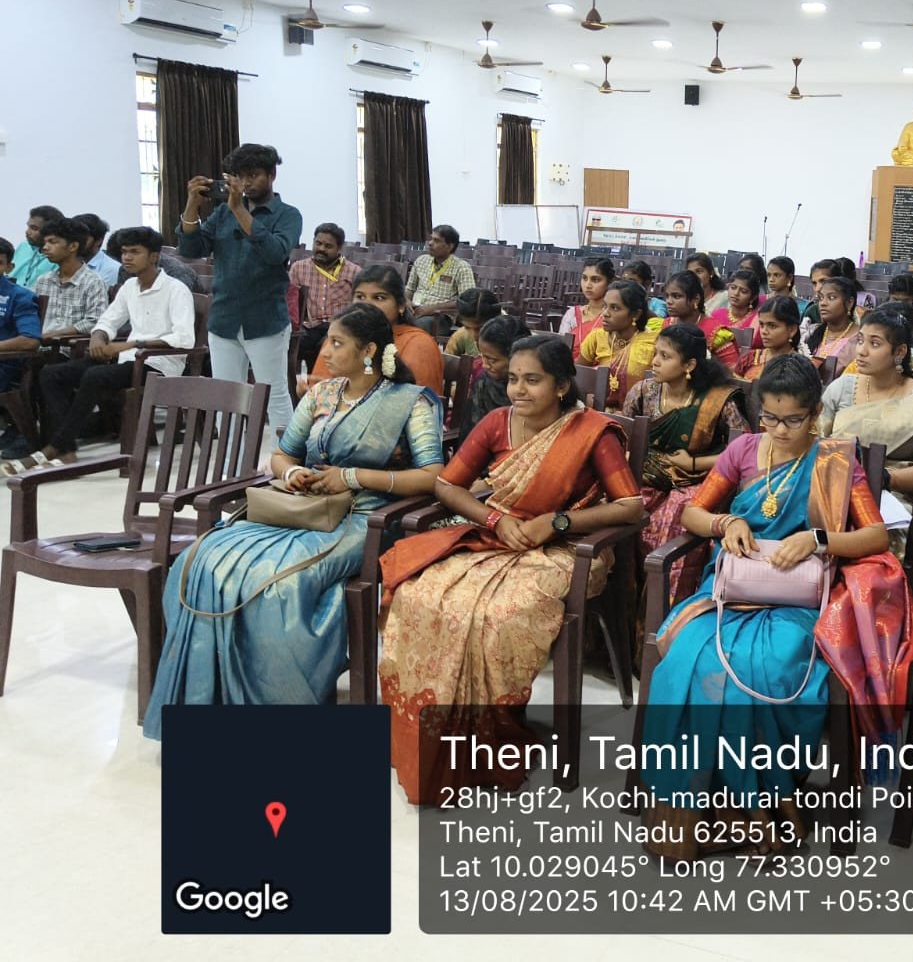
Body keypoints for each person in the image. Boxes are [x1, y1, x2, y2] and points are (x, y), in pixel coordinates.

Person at [638, 354, 910, 858]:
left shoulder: (834, 462)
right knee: (689, 660)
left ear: (816, 414)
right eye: (770, 417)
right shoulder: (742, 450)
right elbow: (695, 512)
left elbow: (876, 536)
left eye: (793, 420)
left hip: (798, 598)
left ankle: (758, 810)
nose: (780, 430)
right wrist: (727, 524)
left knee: (770, 665)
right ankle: (696, 809)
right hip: (731, 590)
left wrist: (818, 539)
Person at [143, 303, 444, 738]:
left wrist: (353, 477)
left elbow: (432, 476)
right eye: (328, 342)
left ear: (369, 351)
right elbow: (283, 454)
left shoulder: (410, 402)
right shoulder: (322, 394)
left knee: (276, 585)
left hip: (365, 518)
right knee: (199, 559)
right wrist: (291, 474)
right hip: (301, 507)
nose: (326, 351)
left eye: (337, 343)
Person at [379, 335, 644, 804]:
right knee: (419, 596)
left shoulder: (592, 432)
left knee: (499, 616)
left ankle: (493, 732)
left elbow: (630, 506)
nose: (518, 390)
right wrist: (495, 520)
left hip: (567, 549)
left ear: (561, 386)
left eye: (533, 380)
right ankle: (435, 731)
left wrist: (556, 523)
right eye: (514, 379)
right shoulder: (497, 421)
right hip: (495, 537)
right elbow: (447, 485)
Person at [6, 226, 193, 471]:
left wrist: (130, 344)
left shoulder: (176, 289)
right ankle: (67, 450)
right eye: (124, 252)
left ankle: (53, 448)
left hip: (158, 364)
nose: (127, 257)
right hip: (126, 360)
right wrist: (98, 338)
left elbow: (184, 339)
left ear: (154, 257)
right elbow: (107, 321)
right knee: (52, 374)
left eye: (134, 252)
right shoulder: (130, 287)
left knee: (96, 375)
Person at [178, 142, 303, 437]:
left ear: (272, 175)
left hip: (265, 319)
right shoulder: (223, 213)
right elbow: (191, 248)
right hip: (224, 318)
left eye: (254, 175)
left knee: (273, 395)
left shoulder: (287, 215)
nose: (246, 183)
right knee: (227, 397)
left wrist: (238, 209)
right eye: (240, 176)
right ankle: (229, 461)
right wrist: (192, 205)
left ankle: (285, 459)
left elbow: (275, 252)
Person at [622, 324, 749, 599]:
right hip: (647, 476)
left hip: (693, 482)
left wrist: (693, 463)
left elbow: (743, 451)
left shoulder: (717, 400)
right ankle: (626, 604)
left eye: (665, 356)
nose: (655, 361)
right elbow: (624, 439)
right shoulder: (642, 392)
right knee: (622, 511)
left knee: (675, 516)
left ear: (689, 365)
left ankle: (666, 605)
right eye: (656, 353)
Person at [819, 307, 913, 550]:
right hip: (834, 486)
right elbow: (817, 442)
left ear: (900, 352)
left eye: (874, 344)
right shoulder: (841, 388)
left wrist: (883, 478)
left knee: (866, 535)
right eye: (860, 340)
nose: (861, 351)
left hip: (893, 496)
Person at [305, 264, 444, 397]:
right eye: (360, 297)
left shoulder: (418, 344)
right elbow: (318, 390)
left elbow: (413, 401)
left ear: (401, 305)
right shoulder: (339, 337)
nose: (367, 305)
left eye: (379, 298)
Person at [578, 279, 664, 408]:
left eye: (615, 308)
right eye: (605, 306)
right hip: (597, 410)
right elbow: (577, 376)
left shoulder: (653, 343)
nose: (605, 314)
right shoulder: (597, 337)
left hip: (636, 413)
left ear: (635, 314)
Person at [287, 222, 358, 368]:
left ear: (339, 248)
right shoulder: (299, 268)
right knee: (284, 346)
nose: (321, 249)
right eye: (318, 243)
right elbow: (291, 303)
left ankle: (319, 381)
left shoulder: (353, 271)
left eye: (328, 246)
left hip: (338, 327)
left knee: (326, 347)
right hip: (308, 327)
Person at [30, 216, 108, 340]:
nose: (45, 247)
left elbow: (95, 321)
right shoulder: (43, 281)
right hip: (37, 347)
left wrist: (52, 335)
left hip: (71, 348)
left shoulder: (93, 282)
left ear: (73, 246)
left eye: (52, 242)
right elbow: (29, 314)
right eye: (45, 242)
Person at [0, 255, 42, 454]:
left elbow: (30, 340)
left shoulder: (19, 296)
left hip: (6, 366)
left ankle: (20, 432)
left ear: (9, 267)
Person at [404, 225, 476, 337]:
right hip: (414, 310)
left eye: (436, 241)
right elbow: (409, 289)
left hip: (440, 316)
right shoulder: (421, 261)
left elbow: (466, 301)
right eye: (431, 239)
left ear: (449, 246)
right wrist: (406, 300)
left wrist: (431, 309)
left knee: (414, 326)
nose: (430, 243)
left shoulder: (461, 267)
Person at [661, 270, 739, 368]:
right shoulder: (667, 324)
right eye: (667, 296)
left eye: (676, 296)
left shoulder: (716, 333)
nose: (669, 301)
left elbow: (731, 371)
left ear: (696, 299)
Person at [458, 314, 518, 438]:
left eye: (492, 360)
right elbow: (470, 433)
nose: (484, 365)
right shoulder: (483, 384)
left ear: (515, 357)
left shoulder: (529, 391)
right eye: (482, 356)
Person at [107, 228, 201, 292]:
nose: (126, 259)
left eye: (134, 252)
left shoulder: (176, 273)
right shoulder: (124, 270)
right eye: (124, 253)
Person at [737, 294, 804, 380]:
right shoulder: (749, 359)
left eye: (772, 326)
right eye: (761, 325)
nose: (764, 331)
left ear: (792, 330)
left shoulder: (799, 367)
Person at [559, 256, 615, 358]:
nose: (588, 285)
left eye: (595, 280)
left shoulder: (613, 316)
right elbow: (561, 349)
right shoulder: (572, 314)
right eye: (584, 278)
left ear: (609, 282)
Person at [804, 276, 860, 372]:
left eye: (831, 297)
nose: (823, 303)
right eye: (821, 298)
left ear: (849, 303)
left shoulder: (860, 338)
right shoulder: (813, 332)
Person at [11, 205, 61, 290]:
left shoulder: (59, 258)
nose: (27, 232)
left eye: (34, 228)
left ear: (51, 231)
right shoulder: (24, 246)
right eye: (28, 226)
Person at [445, 289, 501, 358]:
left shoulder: (509, 336)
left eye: (480, 328)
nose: (474, 335)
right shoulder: (460, 336)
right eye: (467, 327)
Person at [704, 268, 761, 334]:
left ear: (753, 297)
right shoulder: (717, 315)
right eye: (733, 288)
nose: (736, 293)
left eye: (743, 291)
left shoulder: (757, 320)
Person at [72, 213, 121, 287]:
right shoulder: (64, 262)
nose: (76, 241)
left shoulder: (112, 269)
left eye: (83, 238)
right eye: (73, 236)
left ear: (98, 241)